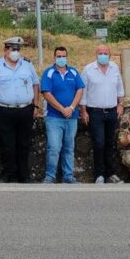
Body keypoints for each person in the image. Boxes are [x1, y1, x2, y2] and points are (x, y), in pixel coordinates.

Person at [0, 36, 41, 183]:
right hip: (4, 110)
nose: (16, 52)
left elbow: (36, 84)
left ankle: (24, 175)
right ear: (5, 50)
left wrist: (35, 105)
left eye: (18, 49)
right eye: (12, 49)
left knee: (24, 144)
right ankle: (8, 174)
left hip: (25, 110)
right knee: (6, 144)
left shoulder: (27, 64)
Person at [80, 45, 125, 184]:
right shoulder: (88, 70)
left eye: (106, 53)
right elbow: (83, 92)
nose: (103, 55)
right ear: (96, 54)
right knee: (99, 143)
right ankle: (99, 175)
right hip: (95, 112)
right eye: (100, 53)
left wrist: (120, 104)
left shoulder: (114, 68)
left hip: (112, 111)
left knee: (110, 143)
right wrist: (83, 111)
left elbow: (120, 87)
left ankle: (111, 173)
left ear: (110, 55)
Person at [41, 46, 85, 184]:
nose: (61, 58)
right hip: (54, 117)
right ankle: (50, 176)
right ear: (54, 57)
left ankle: (68, 176)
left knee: (69, 147)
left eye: (63, 56)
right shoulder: (48, 73)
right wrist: (62, 109)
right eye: (58, 56)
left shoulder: (73, 72)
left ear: (67, 57)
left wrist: (71, 108)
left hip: (71, 117)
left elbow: (80, 90)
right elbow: (46, 93)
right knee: (54, 147)